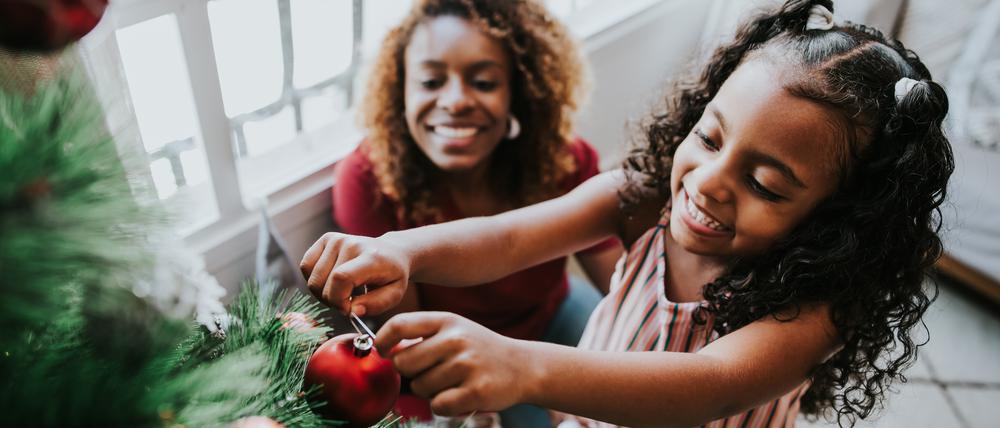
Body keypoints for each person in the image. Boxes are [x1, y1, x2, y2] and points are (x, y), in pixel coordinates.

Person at [302, 0, 953, 426]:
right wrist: (404, 249)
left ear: (842, 221)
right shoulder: (643, 197)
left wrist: (525, 366)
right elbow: (507, 239)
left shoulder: (818, 309)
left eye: (764, 184)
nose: (708, 183)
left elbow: (706, 384)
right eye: (710, 137)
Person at [334, 0, 621, 344]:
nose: (455, 102)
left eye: (484, 83)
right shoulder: (366, 180)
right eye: (431, 81)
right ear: (401, 91)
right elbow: (410, 338)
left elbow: (625, 288)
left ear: (517, 92)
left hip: (552, 315)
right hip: (453, 347)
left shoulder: (564, 161)